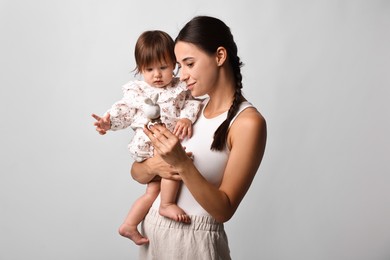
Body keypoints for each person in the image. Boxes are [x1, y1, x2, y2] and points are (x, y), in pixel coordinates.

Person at [131, 16, 267, 259]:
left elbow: (223, 210)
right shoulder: (188, 109)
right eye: (179, 66)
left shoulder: (247, 123)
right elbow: (138, 174)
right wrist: (154, 165)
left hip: (193, 243)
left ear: (220, 56)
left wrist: (182, 163)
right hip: (153, 234)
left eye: (189, 64)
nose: (181, 76)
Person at [92, 30, 201, 245]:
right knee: (174, 165)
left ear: (174, 64)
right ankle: (167, 205)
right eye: (149, 69)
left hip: (165, 142)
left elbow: (192, 103)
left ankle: (129, 225)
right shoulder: (138, 91)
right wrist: (108, 122)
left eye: (163, 67)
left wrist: (186, 119)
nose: (157, 75)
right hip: (151, 143)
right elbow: (123, 112)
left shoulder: (180, 87)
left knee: (152, 190)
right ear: (140, 69)